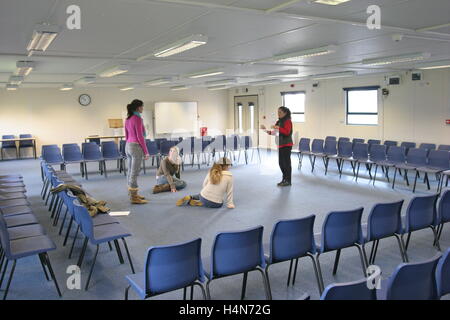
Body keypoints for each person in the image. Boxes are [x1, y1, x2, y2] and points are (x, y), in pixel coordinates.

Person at [261, 106, 293, 186]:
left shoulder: (288, 121)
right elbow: (275, 133)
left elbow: (287, 132)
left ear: (285, 113)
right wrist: (265, 130)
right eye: (278, 112)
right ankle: (284, 179)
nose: (278, 114)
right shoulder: (278, 121)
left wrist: (278, 128)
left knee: (286, 163)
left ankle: (288, 180)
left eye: (280, 112)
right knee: (281, 163)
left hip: (287, 145)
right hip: (280, 145)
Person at [125, 99, 149, 204]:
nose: (143, 108)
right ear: (138, 107)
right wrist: (146, 151)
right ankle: (134, 197)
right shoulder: (137, 118)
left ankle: (132, 194)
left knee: (130, 171)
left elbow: (126, 135)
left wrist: (128, 145)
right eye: (142, 107)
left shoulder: (128, 119)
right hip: (136, 147)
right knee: (134, 172)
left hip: (128, 146)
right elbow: (140, 136)